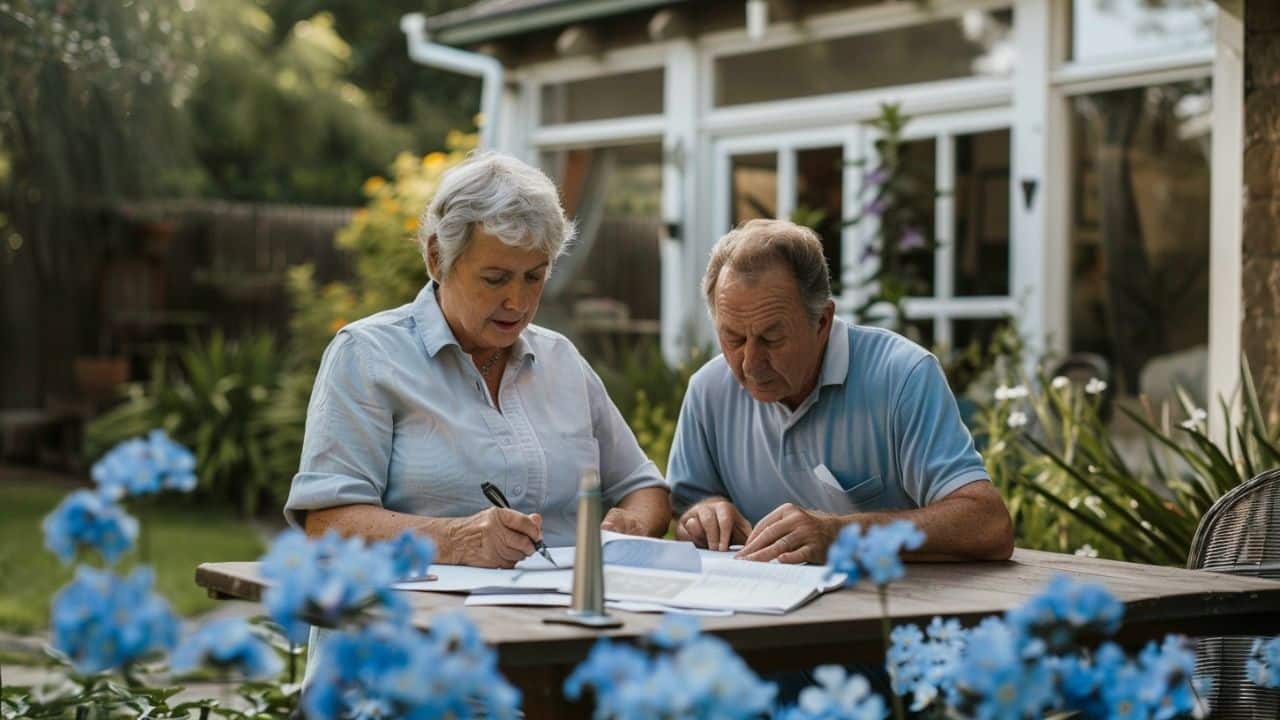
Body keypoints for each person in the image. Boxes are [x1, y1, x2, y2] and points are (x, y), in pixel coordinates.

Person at [283, 151, 671, 568]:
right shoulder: (367, 356)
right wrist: (454, 539)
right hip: (416, 624)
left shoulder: (561, 360)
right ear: (437, 258)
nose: (517, 301)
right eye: (496, 278)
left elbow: (645, 489)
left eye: (534, 276)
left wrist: (631, 524)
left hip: (554, 622)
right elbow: (326, 522)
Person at [667, 218, 1013, 563]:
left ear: (822, 321)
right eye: (734, 339)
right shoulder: (708, 390)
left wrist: (842, 535)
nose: (750, 364)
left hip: (894, 606)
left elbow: (988, 524)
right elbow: (684, 516)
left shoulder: (902, 375)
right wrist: (703, 515)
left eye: (772, 339)